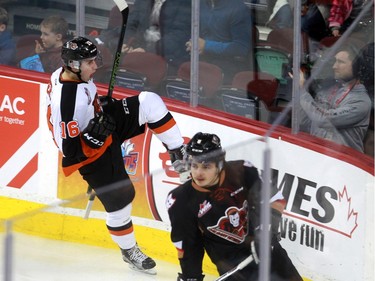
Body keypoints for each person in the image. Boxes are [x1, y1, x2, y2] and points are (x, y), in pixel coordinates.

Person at [46, 36, 187, 274]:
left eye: (94, 60)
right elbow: (69, 151)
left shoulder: (67, 74)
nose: (95, 66)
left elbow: (86, 103)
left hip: (98, 123)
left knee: (148, 102)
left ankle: (180, 157)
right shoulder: (68, 103)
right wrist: (94, 137)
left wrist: (100, 105)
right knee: (121, 201)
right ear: (74, 65)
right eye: (90, 62)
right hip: (88, 154)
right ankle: (129, 250)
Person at [166, 132, 303, 281]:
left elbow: (276, 199)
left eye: (206, 167)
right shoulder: (180, 200)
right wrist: (191, 277)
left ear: (219, 164)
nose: (199, 173)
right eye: (194, 166)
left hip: (268, 253)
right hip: (233, 268)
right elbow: (189, 247)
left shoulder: (242, 171)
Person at [297, 45, 371, 153]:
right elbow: (305, 122)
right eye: (335, 61)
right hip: (317, 154)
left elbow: (323, 119)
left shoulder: (361, 102)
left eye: (341, 62)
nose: (334, 66)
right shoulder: (327, 90)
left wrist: (303, 91)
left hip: (344, 162)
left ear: (356, 66)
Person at [185, 0, 253, 84]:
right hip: (200, 63)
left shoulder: (239, 9)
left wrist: (206, 46)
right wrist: (193, 44)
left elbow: (241, 47)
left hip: (227, 68)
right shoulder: (199, 4)